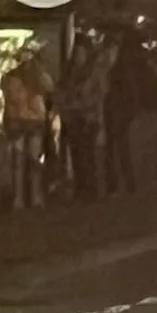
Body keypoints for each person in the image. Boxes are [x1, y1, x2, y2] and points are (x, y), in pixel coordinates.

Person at [59, 34, 118, 202]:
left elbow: (100, 95)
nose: (79, 56)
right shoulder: (70, 73)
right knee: (77, 155)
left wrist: (83, 103)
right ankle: (80, 188)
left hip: (88, 120)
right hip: (72, 119)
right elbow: (61, 91)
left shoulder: (94, 73)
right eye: (77, 53)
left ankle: (90, 190)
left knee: (88, 156)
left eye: (82, 52)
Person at [1, 45, 54, 210]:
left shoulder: (13, 77)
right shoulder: (34, 77)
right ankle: (31, 196)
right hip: (29, 122)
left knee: (26, 161)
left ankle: (25, 197)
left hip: (22, 121)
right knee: (31, 160)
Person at [103, 25, 145, 197]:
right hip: (115, 111)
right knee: (117, 149)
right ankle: (120, 185)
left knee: (121, 149)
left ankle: (123, 185)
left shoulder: (123, 65)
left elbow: (129, 90)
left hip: (119, 111)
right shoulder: (119, 64)